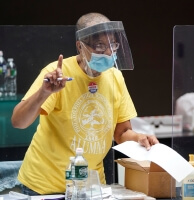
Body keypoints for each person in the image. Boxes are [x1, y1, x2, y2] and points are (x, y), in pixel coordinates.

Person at [11, 12, 159, 195]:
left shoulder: (115, 77)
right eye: (99, 46)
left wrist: (139, 138)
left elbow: (121, 133)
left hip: (90, 188)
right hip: (43, 188)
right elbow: (18, 122)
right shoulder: (57, 73)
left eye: (113, 45)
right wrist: (43, 92)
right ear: (80, 46)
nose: (108, 52)